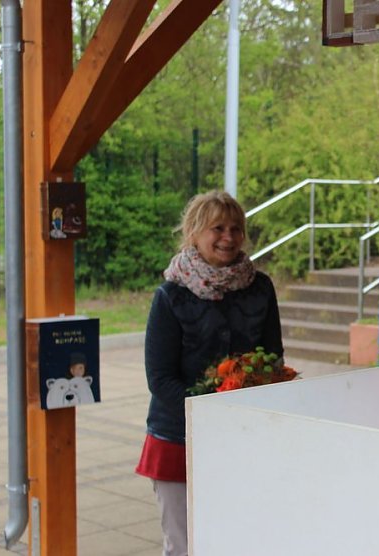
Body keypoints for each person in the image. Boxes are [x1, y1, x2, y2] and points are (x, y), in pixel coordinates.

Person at [135, 190, 283, 556]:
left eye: (236, 228)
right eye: (217, 228)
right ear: (194, 233)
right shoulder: (171, 295)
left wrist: (256, 389)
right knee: (184, 546)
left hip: (243, 435)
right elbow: (160, 378)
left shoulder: (260, 288)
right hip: (177, 438)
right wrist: (209, 411)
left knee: (237, 539)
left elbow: (273, 359)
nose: (229, 237)